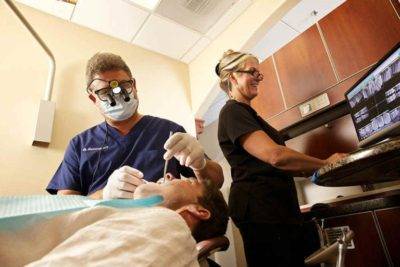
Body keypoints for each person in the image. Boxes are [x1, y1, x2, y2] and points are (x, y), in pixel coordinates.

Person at [215, 50, 347, 266]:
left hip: (275, 208)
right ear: (232, 77)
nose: (258, 78)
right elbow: (275, 156)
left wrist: (319, 170)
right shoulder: (232, 112)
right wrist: (325, 163)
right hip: (261, 210)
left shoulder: (249, 115)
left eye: (259, 73)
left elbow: (278, 165)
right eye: (252, 72)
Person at [47, 52, 223, 199]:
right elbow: (65, 205)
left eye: (123, 86)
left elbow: (216, 182)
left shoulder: (169, 131)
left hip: (162, 226)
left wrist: (201, 165)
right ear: (93, 98)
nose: (117, 95)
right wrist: (104, 194)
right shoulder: (80, 144)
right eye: (105, 92)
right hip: (102, 230)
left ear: (134, 85)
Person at [0, 178, 229, 266]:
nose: (169, 175)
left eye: (187, 180)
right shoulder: (136, 221)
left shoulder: (169, 225)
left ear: (198, 211)